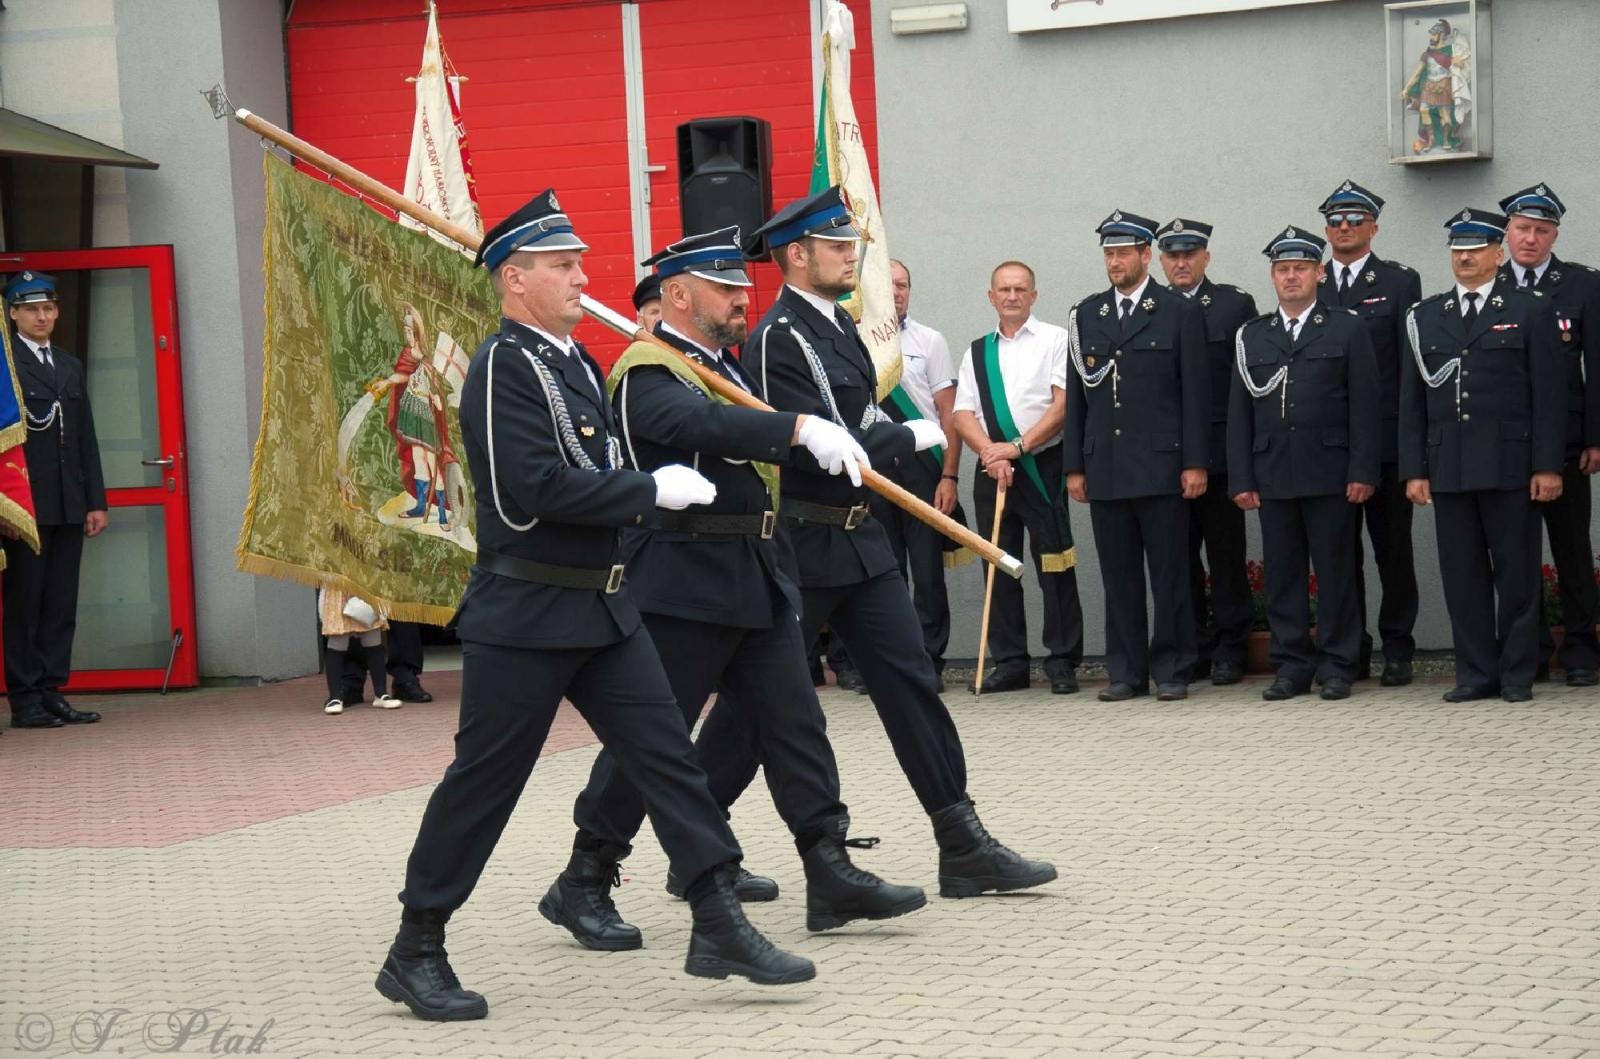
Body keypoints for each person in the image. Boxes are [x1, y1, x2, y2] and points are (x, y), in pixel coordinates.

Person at [375, 191, 814, 1024]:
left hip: (605, 610)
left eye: (579, 262)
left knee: (667, 761)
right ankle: (417, 944)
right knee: (486, 782)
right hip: (528, 611)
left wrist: (642, 490)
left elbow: (594, 462)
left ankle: (717, 918)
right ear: (515, 279)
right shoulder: (505, 365)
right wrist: (648, 490)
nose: (584, 276)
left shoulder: (575, 360)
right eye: (563, 265)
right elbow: (530, 489)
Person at [539, 225, 924, 950]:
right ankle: (585, 874)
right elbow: (700, 424)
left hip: (756, 573)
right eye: (725, 289)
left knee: (794, 722)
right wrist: (800, 428)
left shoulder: (731, 367)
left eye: (744, 287)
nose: (741, 299)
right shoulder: (648, 369)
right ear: (679, 295)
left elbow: (734, 415)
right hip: (683, 583)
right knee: (650, 740)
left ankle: (828, 864)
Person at [694, 186, 1058, 900]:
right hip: (803, 543)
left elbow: (855, 415)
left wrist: (889, 438)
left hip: (863, 542)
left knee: (911, 683)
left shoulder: (842, 327)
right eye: (837, 246)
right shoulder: (776, 339)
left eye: (849, 243)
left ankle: (961, 840)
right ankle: (691, 844)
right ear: (796, 256)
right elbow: (812, 444)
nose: (851, 255)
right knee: (755, 708)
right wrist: (905, 436)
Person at [1399, 208, 1565, 703]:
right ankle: (1475, 673)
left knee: (1516, 573)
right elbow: (1412, 402)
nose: (1465, 258)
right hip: (1448, 465)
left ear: (1497, 254)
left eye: (1474, 250)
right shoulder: (1427, 316)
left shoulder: (1531, 309)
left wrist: (1547, 465)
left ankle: (1517, 674)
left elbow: (1549, 397)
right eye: (1457, 251)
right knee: (1462, 576)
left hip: (1511, 465)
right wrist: (1414, 469)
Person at [1228, 227, 1380, 701]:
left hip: (1331, 472)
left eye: (1299, 268)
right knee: (1283, 574)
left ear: (1318, 272)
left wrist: (1363, 470)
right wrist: (1242, 477)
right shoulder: (1252, 335)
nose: (1291, 277)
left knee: (1336, 571)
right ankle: (1291, 664)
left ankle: (1338, 663)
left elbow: (1366, 406)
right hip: (1273, 473)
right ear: (1273, 277)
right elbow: (1239, 414)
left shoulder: (1347, 327)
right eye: (1282, 269)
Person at [1064, 211, 1209, 702]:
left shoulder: (1177, 311)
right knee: (1118, 576)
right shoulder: (1087, 315)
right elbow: (1079, 399)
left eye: (1124, 252)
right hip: (1105, 466)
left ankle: (1172, 668)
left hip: (1162, 465)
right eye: (1109, 253)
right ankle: (1126, 670)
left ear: (1147, 255)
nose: (1115, 261)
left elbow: (1195, 394)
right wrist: (1075, 466)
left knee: (1169, 576)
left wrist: (1195, 462)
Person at [952, 260, 1084, 695]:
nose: (1012, 296)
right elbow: (962, 413)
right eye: (1004, 290)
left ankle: (1062, 660)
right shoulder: (976, 351)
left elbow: (1062, 406)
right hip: (993, 468)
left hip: (1041, 463)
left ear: (1034, 295)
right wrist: (991, 453)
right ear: (991, 297)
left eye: (1020, 289)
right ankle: (1009, 662)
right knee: (999, 564)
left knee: (1054, 563)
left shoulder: (1056, 341)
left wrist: (1018, 447)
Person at [1318, 180, 1423, 686]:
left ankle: (1398, 646)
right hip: (1326, 446)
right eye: (1336, 221)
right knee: (1339, 554)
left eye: (1355, 221)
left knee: (1392, 549)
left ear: (1374, 228)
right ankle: (1349, 649)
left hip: (1382, 446)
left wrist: (1409, 451)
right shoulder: (1309, 278)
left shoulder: (1400, 282)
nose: (1344, 228)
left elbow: (1408, 373)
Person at [1496, 183, 1600, 687]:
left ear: (1555, 234)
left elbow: (1597, 367)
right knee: (1515, 554)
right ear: (1507, 233)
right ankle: (1528, 650)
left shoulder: (1581, 285)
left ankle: (1581, 648)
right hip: (1507, 443)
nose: (1530, 239)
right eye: (1522, 229)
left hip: (1566, 441)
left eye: (1541, 230)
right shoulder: (1486, 283)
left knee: (1572, 548)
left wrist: (1595, 438)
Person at [2, 271, 105, 729]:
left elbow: (85, 439)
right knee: (25, 604)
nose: (42, 316)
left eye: (48, 308)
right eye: (31, 309)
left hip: (67, 502)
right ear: (13, 313)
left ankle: (51, 690)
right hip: (25, 506)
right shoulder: (5, 368)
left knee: (60, 604)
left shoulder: (68, 365)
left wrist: (94, 501)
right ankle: (24, 698)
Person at [1156, 218, 1257, 686]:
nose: (1181, 263)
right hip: (1163, 457)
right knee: (1177, 559)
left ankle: (1230, 648)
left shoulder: (1234, 305)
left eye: (1189, 255)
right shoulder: (1150, 308)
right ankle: (1190, 646)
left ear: (1205, 258)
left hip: (1217, 454)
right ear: (1161, 261)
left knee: (1225, 554)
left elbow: (1244, 386)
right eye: (1172, 256)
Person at [319, 587, 402, 714]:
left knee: (373, 641)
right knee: (338, 642)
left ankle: (381, 694)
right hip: (337, 590)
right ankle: (334, 697)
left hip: (365, 585)